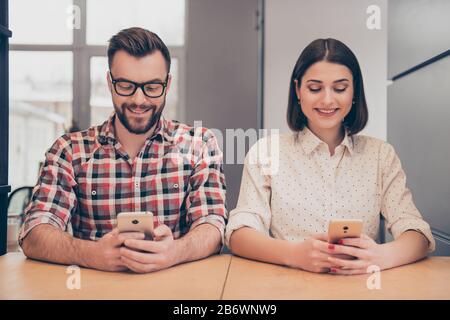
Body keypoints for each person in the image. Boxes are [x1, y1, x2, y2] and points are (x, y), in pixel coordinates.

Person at [19, 27, 227, 273]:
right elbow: (34, 233)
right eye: (126, 86)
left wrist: (175, 252)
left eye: (151, 87)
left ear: (167, 84)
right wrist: (91, 254)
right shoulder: (69, 151)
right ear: (109, 82)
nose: (139, 100)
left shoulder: (199, 145)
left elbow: (213, 226)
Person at [225, 38, 435, 275]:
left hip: (360, 290)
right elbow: (239, 234)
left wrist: (381, 256)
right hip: (287, 289)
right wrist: (294, 255)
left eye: (340, 88)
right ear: (298, 90)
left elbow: (417, 233)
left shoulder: (380, 155)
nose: (327, 100)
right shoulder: (266, 153)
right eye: (315, 88)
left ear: (354, 90)